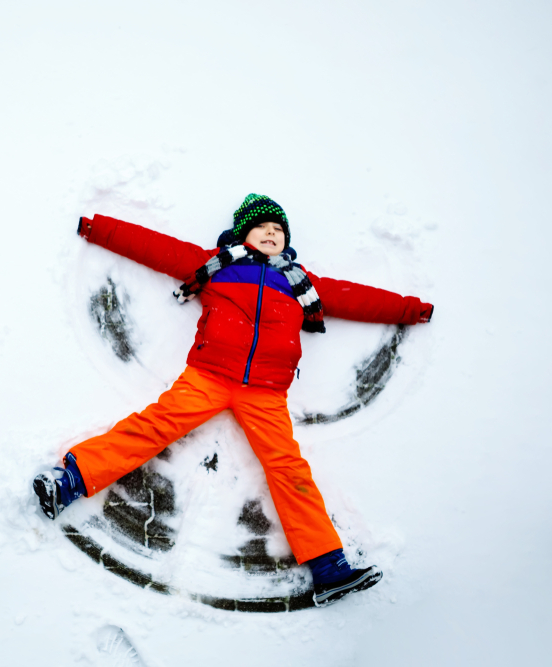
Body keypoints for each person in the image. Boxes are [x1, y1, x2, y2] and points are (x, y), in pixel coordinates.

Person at [33, 194, 433, 606]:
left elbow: (358, 299)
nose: (272, 234)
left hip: (265, 393)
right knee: (153, 427)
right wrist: (99, 228)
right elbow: (154, 246)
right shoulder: (218, 266)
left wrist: (411, 310)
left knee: (287, 467)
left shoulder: (300, 282)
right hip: (208, 377)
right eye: (263, 228)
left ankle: (329, 568)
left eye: (279, 230)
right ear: (243, 233)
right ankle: (68, 483)